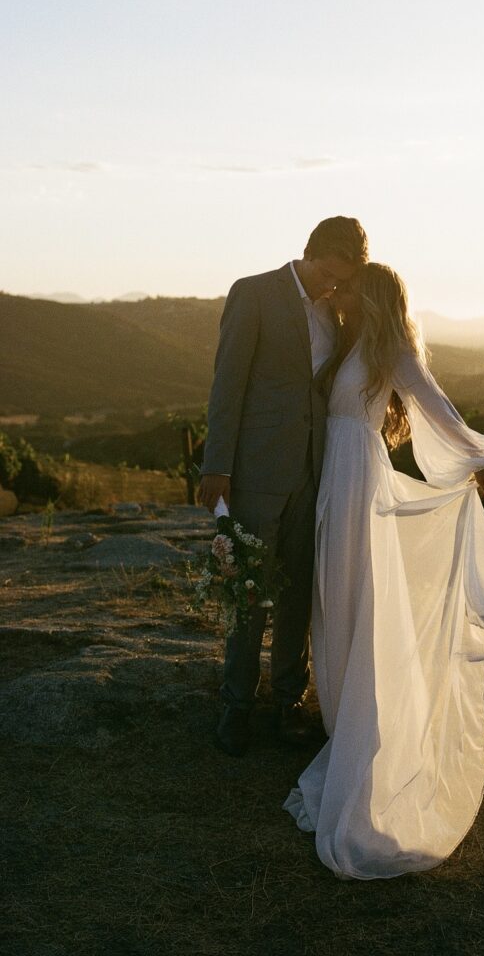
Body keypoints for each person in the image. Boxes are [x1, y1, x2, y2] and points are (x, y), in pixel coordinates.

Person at [283, 262, 484, 879]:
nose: (344, 295)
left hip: (359, 480)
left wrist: (479, 453)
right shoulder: (345, 341)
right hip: (332, 482)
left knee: (356, 599)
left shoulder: (391, 346)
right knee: (332, 602)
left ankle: (363, 741)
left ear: (376, 298)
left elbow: (433, 400)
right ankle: (341, 726)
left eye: (354, 288)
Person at [198, 216, 369, 756]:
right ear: (309, 254)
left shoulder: (338, 311)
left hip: (316, 473)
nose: (331, 288)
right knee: (248, 590)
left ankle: (288, 703)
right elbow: (228, 382)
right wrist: (216, 465)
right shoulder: (254, 294)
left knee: (298, 592)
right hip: (256, 470)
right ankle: (236, 706)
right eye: (328, 276)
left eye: (341, 281)